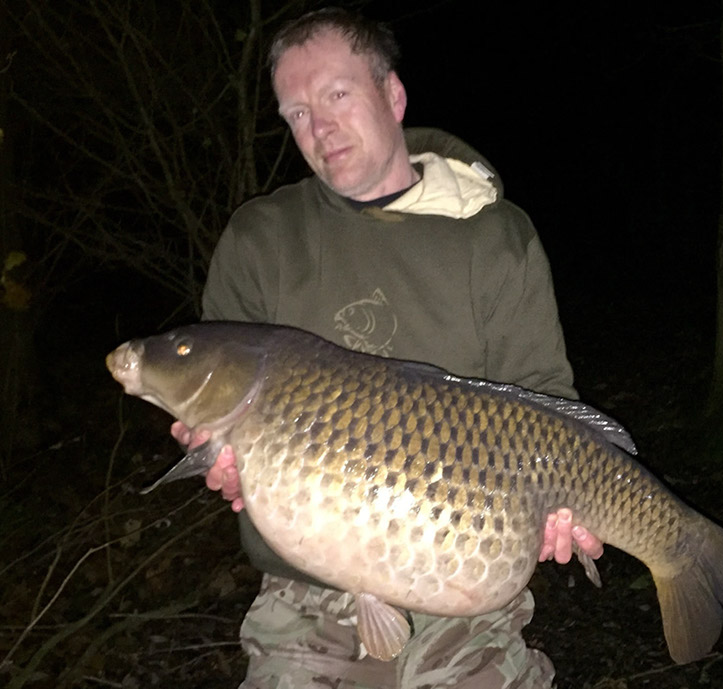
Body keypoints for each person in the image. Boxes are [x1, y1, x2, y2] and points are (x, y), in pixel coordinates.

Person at [173, 8, 603, 688]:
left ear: (392, 95)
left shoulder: (495, 237)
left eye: (336, 95)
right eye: (296, 113)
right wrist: (213, 457)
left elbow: (544, 399)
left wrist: (562, 506)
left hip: (462, 566)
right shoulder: (259, 239)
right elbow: (220, 410)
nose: (319, 127)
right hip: (304, 587)